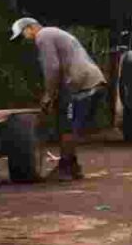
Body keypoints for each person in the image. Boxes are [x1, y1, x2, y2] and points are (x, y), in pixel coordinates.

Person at [10, 17, 107, 180]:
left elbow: (52, 68)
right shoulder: (53, 33)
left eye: (23, 34)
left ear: (30, 28)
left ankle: (65, 168)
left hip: (83, 84)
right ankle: (73, 166)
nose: (25, 39)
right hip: (86, 81)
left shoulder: (43, 36)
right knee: (67, 125)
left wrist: (48, 94)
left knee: (67, 127)